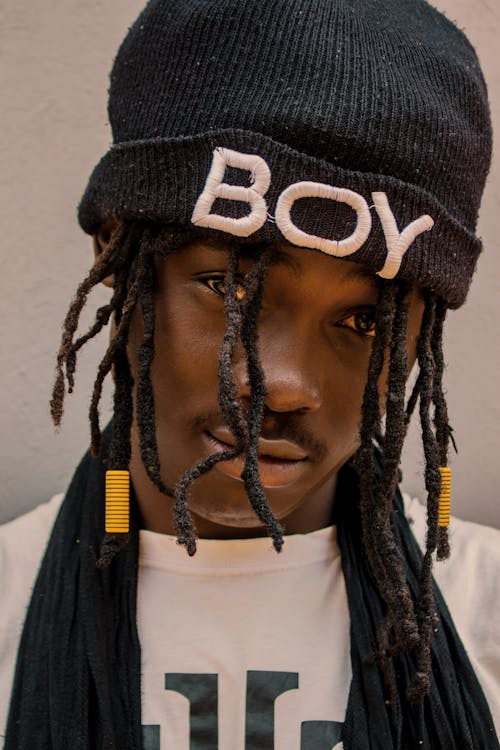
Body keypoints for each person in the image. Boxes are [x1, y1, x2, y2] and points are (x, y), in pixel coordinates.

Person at [1, 0, 499, 748]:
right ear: (116, 261)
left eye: (364, 321)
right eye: (232, 289)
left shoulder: (484, 611)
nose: (287, 382)